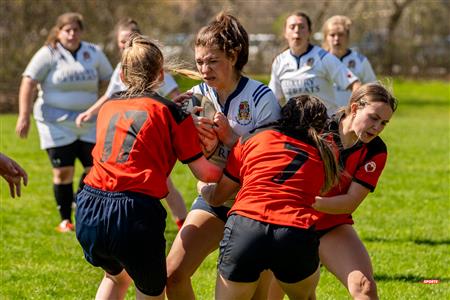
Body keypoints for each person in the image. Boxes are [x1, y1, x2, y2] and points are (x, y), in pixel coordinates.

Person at [75, 34, 222, 300]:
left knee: (115, 276)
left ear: (122, 73)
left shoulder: (109, 105)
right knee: (150, 291)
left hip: (89, 207)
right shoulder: (172, 113)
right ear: (161, 73)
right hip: (133, 212)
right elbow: (207, 174)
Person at [166, 12, 281, 300]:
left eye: (212, 60)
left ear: (233, 55)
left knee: (258, 297)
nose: (204, 69)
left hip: (256, 206)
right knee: (172, 275)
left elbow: (273, 162)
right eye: (199, 61)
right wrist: (173, 117)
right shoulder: (195, 97)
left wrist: (230, 139)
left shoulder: (261, 98)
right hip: (213, 199)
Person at [199, 95, 340, 300]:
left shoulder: (253, 138)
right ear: (321, 126)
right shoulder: (324, 153)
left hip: (246, 226)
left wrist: (203, 187)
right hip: (294, 231)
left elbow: (218, 197)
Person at [269, 83, 397, 300]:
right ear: (355, 108)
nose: (377, 128)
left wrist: (309, 201)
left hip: (331, 224)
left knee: (365, 287)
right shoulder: (317, 129)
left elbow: (350, 202)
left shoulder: (376, 150)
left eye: (384, 123)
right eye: (373, 118)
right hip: (291, 223)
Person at [75, 17, 188, 230]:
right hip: (126, 132)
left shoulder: (150, 65)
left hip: (147, 135)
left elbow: (175, 95)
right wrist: (89, 112)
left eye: (129, 39)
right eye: (121, 41)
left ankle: (183, 222)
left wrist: (172, 118)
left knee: (162, 182)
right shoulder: (122, 66)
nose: (124, 44)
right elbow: (109, 97)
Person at [15, 12, 113, 232]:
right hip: (55, 122)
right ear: (58, 32)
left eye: (76, 29)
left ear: (82, 32)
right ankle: (65, 220)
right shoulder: (48, 54)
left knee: (94, 168)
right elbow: (28, 82)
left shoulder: (93, 52)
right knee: (63, 172)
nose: (71, 34)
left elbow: (111, 79)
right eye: (67, 30)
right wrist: (24, 115)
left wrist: (104, 104)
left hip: (88, 121)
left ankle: (79, 201)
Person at [269, 11, 360, 114]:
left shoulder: (323, 57)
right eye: (292, 26)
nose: (297, 30)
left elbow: (355, 84)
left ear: (309, 32)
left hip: (326, 126)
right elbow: (272, 99)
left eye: (301, 26)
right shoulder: (279, 61)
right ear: (285, 33)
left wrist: (352, 113)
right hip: (294, 127)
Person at [322, 15, 377, 107]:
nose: (336, 38)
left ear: (347, 36)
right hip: (324, 116)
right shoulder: (319, 61)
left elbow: (373, 89)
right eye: (332, 35)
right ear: (326, 37)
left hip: (351, 116)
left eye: (340, 34)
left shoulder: (360, 61)